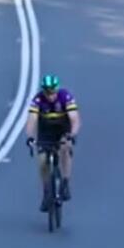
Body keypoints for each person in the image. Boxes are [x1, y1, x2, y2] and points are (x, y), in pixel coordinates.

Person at [24, 74, 80, 211]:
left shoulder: (65, 97)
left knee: (65, 148)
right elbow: (31, 120)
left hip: (63, 129)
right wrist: (30, 137)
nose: (50, 96)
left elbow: (75, 119)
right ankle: (47, 192)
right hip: (46, 131)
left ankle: (65, 182)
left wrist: (72, 134)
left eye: (53, 92)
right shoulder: (37, 100)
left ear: (57, 89)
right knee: (42, 160)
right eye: (47, 93)